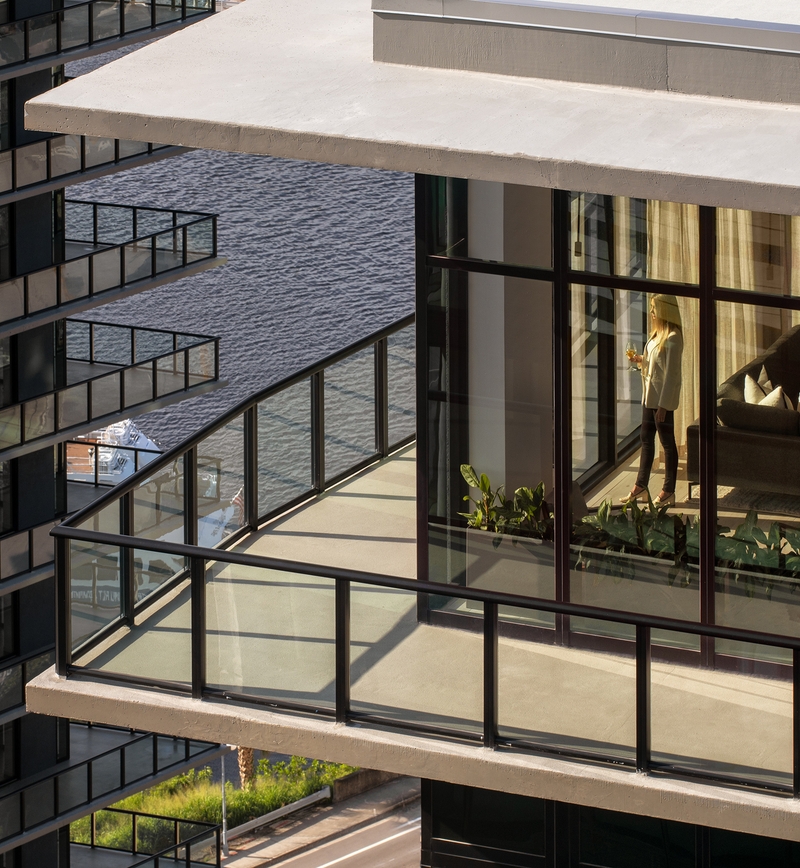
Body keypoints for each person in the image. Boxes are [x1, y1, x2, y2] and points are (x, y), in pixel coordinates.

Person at [622, 294, 683, 507]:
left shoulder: (674, 337)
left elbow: (671, 375)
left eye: (654, 308)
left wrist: (664, 407)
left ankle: (668, 491)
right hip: (649, 396)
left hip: (660, 401)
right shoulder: (657, 334)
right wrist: (640, 360)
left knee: (667, 444)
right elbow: (655, 364)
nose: (651, 313)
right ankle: (641, 487)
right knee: (646, 439)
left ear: (665, 310)